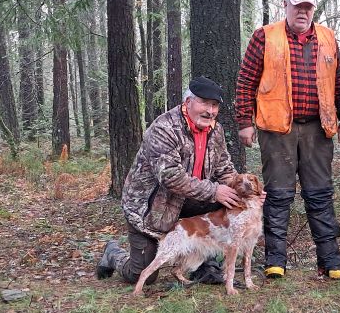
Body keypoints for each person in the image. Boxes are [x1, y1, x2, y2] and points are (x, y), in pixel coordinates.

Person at [234, 0, 340, 280]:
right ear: (285, 5)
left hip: (318, 127)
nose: (302, 12)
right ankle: (275, 260)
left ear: (313, 8)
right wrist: (244, 122)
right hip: (277, 129)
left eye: (307, 7)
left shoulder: (327, 37)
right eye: (297, 6)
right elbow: (246, 80)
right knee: (278, 194)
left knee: (320, 194)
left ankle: (331, 261)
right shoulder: (265, 36)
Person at [96, 77, 242, 285]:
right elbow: (171, 177)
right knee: (142, 275)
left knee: (226, 200)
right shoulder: (164, 128)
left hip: (190, 201)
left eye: (214, 105)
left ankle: (205, 263)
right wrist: (214, 191)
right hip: (152, 209)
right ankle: (112, 254)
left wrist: (244, 190)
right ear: (188, 101)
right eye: (204, 103)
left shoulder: (215, 130)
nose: (210, 111)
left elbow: (224, 168)